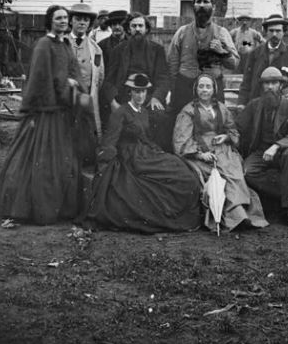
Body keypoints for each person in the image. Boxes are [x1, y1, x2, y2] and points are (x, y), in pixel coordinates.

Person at [82, 73, 202, 233]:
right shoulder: (121, 112)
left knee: (178, 167)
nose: (140, 96)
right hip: (130, 156)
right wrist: (105, 161)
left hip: (145, 151)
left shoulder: (143, 112)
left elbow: (145, 137)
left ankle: (177, 211)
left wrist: (156, 150)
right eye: (136, 91)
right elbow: (110, 140)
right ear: (130, 92)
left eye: (143, 92)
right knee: (155, 177)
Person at [0, 5, 85, 225]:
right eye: (58, 18)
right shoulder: (44, 45)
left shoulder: (65, 45)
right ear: (50, 21)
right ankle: (33, 207)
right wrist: (65, 88)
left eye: (65, 18)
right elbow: (39, 78)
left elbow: (74, 72)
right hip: (46, 112)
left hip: (62, 111)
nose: (63, 21)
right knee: (40, 160)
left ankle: (61, 206)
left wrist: (75, 88)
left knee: (62, 162)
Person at [173, 73, 268, 231]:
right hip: (199, 152)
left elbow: (232, 130)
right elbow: (181, 139)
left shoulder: (221, 108)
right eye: (201, 86)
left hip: (223, 150)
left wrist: (226, 137)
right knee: (220, 176)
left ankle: (245, 212)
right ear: (196, 89)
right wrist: (199, 154)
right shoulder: (188, 111)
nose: (205, 90)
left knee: (235, 173)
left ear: (214, 89)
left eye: (208, 86)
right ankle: (235, 216)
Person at [234, 67, 288, 227]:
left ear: (280, 85)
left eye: (274, 83)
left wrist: (276, 146)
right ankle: (284, 195)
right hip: (260, 152)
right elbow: (237, 126)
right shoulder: (255, 105)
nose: (269, 87)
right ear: (262, 86)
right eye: (266, 83)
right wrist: (224, 132)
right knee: (246, 172)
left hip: (283, 152)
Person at [101, 12, 171, 148]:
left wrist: (157, 97)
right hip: (125, 98)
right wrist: (112, 101)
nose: (137, 29)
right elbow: (109, 80)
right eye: (134, 26)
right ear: (128, 29)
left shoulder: (157, 50)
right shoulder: (118, 50)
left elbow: (164, 78)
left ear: (146, 29)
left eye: (140, 26)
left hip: (149, 98)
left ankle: (156, 152)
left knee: (161, 117)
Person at [167, 0, 239, 112]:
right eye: (198, 2)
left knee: (213, 125)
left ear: (213, 7)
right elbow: (172, 64)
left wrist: (222, 52)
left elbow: (234, 63)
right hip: (185, 88)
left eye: (205, 2)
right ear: (193, 6)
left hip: (212, 88)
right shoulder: (182, 32)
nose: (201, 5)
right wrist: (173, 90)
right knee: (182, 123)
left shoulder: (222, 32)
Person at [238, 14, 288, 106]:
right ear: (266, 32)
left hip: (282, 106)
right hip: (257, 105)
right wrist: (241, 103)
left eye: (278, 31)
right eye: (271, 31)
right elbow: (246, 82)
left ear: (283, 32)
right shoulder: (255, 53)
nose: (274, 34)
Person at [67, 3, 105, 165]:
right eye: (78, 19)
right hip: (65, 99)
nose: (82, 23)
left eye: (85, 20)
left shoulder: (95, 48)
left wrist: (91, 92)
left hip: (87, 98)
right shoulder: (60, 43)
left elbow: (100, 75)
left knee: (85, 133)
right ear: (71, 21)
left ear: (90, 23)